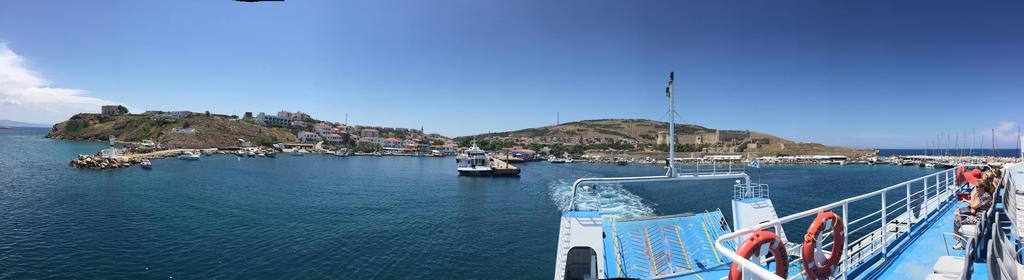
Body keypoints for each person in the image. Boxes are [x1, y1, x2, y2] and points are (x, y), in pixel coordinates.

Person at [952, 176, 994, 250]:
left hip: (979, 220)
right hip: (981, 216)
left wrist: (973, 195)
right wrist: (968, 200)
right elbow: (974, 207)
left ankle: (960, 242)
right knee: (958, 213)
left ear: (983, 188)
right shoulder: (985, 195)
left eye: (977, 187)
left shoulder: (985, 196)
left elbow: (973, 207)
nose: (976, 188)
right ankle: (960, 240)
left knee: (957, 219)